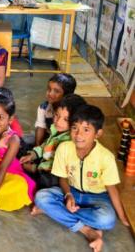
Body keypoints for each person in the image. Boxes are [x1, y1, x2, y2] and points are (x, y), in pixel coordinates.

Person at [34, 105, 130, 252]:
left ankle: (53, 211)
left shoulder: (106, 157)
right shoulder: (64, 148)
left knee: (107, 219)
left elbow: (112, 189)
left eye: (86, 129)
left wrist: (122, 217)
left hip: (97, 197)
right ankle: (87, 230)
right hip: (71, 191)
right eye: (74, 128)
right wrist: (68, 195)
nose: (78, 134)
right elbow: (63, 178)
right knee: (41, 197)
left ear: (98, 134)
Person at [20, 94, 86, 190]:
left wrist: (35, 168)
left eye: (65, 119)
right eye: (56, 115)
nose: (58, 121)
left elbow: (54, 165)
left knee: (46, 180)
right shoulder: (56, 129)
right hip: (45, 162)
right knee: (22, 148)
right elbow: (46, 146)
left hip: (55, 172)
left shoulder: (70, 141)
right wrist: (33, 155)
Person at [35, 73, 76, 146]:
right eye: (49, 89)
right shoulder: (43, 108)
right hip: (50, 139)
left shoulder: (74, 111)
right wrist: (37, 148)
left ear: (67, 95)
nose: (50, 93)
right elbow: (40, 128)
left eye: (56, 91)